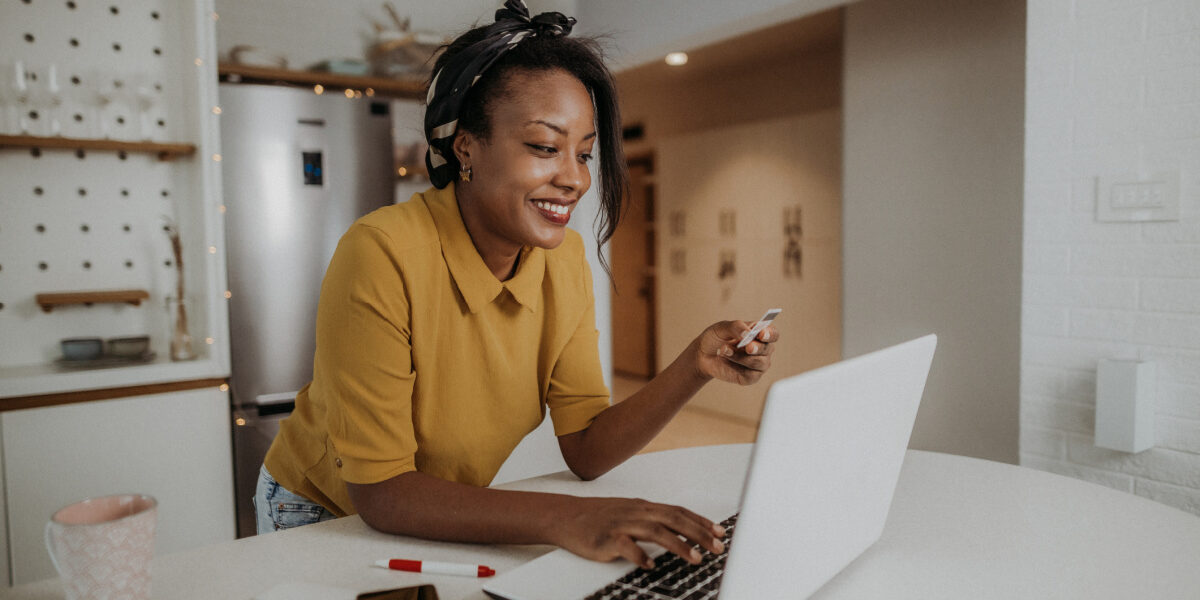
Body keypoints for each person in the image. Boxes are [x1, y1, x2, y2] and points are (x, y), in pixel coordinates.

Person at [255, 0, 778, 571]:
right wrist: (566, 518)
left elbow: (586, 446)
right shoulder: (382, 252)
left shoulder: (565, 259)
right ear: (466, 147)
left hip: (430, 509)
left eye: (583, 153)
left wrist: (693, 364)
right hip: (328, 515)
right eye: (543, 147)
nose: (575, 179)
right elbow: (381, 491)